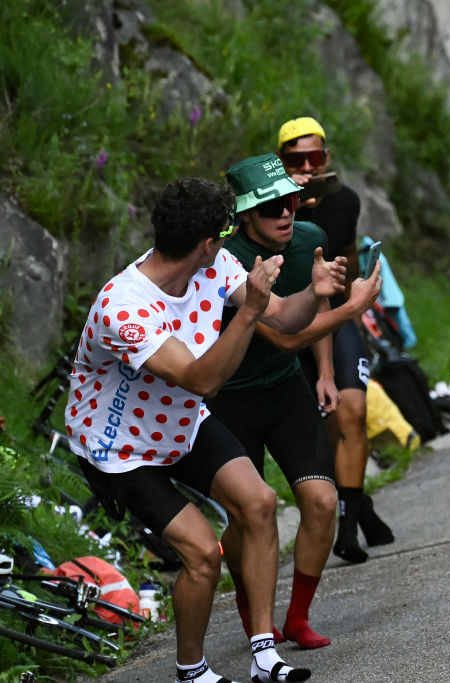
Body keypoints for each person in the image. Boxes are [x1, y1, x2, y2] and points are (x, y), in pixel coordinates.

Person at [63, 177, 339, 682]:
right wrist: (249, 310)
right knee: (201, 555)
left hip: (179, 421)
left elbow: (281, 319)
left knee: (257, 504)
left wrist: (313, 293)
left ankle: (264, 656)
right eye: (226, 231)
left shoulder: (216, 263)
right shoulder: (123, 307)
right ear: (207, 241)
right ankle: (191, 670)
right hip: (120, 447)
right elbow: (202, 378)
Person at [205, 154, 380, 650]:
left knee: (321, 502)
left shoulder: (305, 238)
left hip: (285, 389)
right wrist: (354, 306)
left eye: (292, 202)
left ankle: (298, 617)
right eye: (271, 208)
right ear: (243, 216)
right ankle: (249, 605)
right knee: (248, 518)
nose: (286, 213)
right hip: (230, 399)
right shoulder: (226, 261)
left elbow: (312, 302)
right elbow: (283, 334)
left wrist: (325, 372)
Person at [277, 117, 395, 565]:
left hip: (338, 316)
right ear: (281, 162)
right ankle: (356, 504)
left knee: (352, 409)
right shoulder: (273, 205)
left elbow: (337, 258)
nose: (307, 166)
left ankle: (347, 531)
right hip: (288, 319)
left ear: (327, 157)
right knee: (322, 423)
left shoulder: (344, 200)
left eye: (316, 157)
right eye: (295, 159)